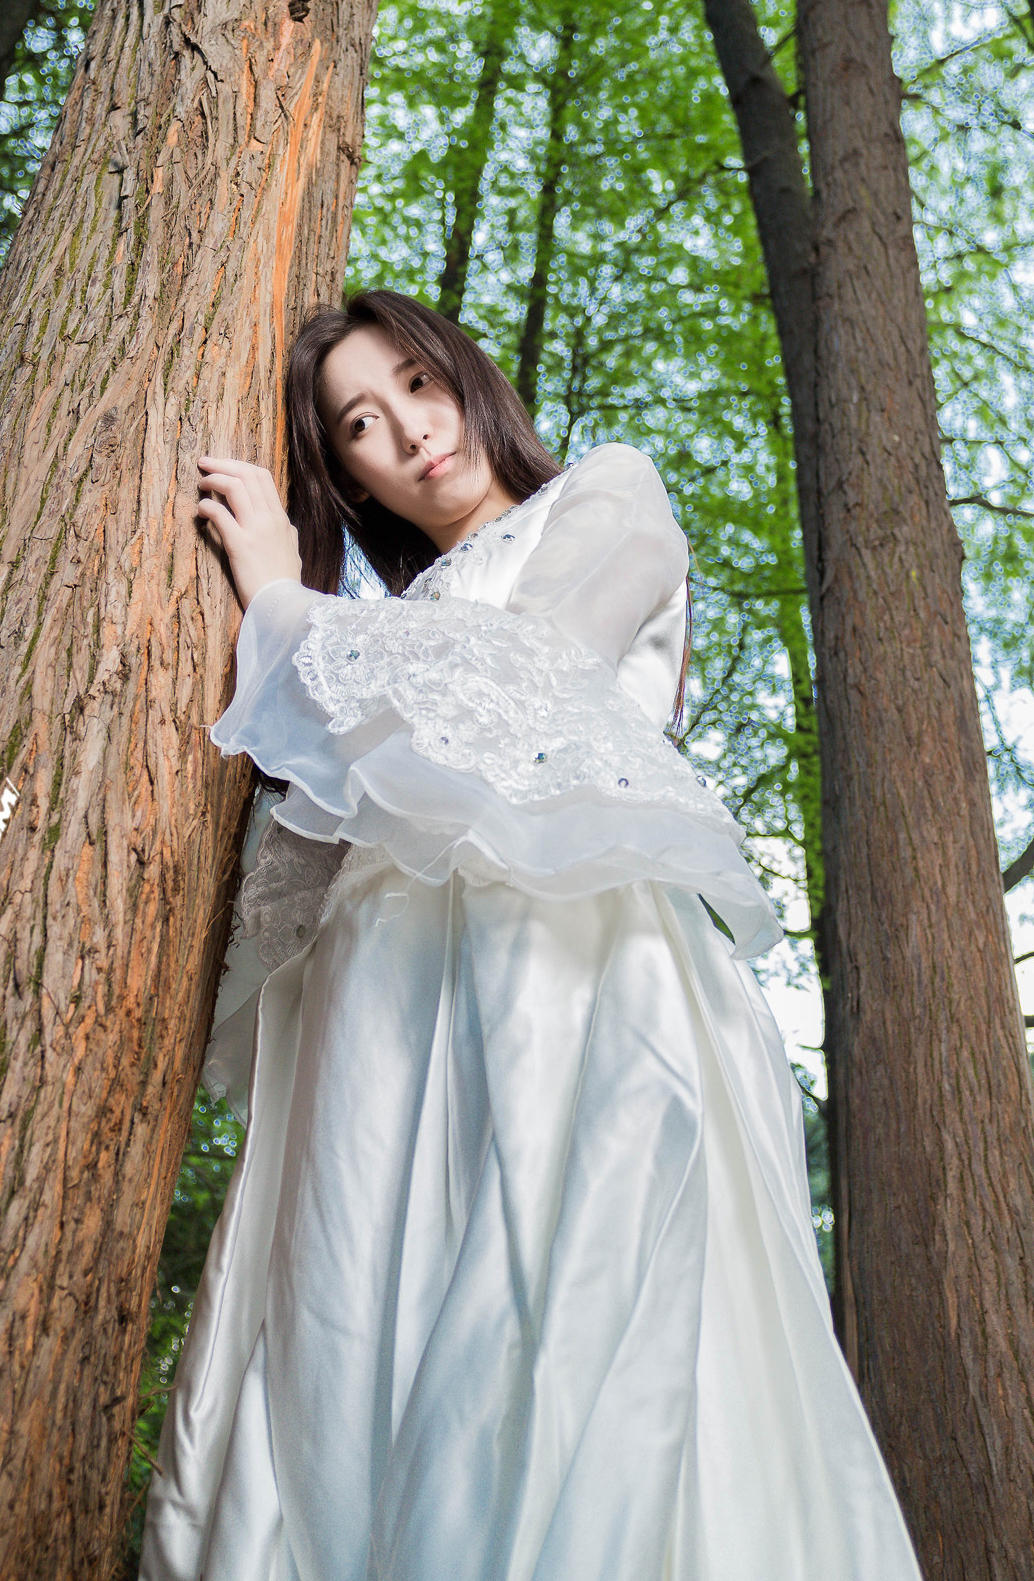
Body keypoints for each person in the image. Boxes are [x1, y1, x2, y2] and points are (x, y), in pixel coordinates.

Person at [138, 290, 923, 1581]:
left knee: (563, 1344)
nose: (409, 431)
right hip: (381, 1022)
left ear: (464, 373)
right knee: (353, 1365)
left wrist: (284, 606)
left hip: (570, 971)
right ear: (353, 480)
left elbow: (529, 678)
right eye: (362, 429)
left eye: (415, 382)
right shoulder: (374, 636)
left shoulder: (606, 499)